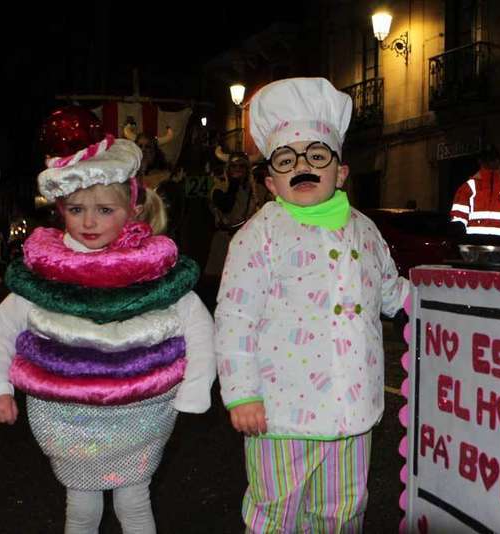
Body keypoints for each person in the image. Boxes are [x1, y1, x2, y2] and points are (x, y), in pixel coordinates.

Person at [0, 114, 215, 534]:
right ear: (60, 209)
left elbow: (196, 323)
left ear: (133, 208)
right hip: (66, 417)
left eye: (104, 209)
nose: (89, 222)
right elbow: (5, 324)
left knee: (134, 502)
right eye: (76, 209)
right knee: (81, 507)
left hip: (141, 413)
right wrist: (1, 386)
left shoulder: (152, 267)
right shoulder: (47, 269)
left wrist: (195, 387)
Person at [214, 77, 409, 533]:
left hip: (353, 413)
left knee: (342, 512)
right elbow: (235, 318)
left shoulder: (366, 230)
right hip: (281, 414)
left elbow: (393, 292)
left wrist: (446, 301)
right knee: (275, 512)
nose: (302, 167)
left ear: (340, 173)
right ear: (271, 181)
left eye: (317, 156)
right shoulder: (259, 236)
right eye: (287, 160)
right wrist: (242, 393)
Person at [204, 149, 269, 278]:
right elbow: (226, 207)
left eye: (241, 166)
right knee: (219, 280)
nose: (237, 169)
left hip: (249, 242)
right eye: (233, 166)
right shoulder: (218, 188)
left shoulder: (259, 190)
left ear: (247, 169)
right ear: (228, 169)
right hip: (224, 242)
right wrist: (233, 183)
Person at [449, 144, 500, 245]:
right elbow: (458, 217)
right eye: (488, 159)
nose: (491, 162)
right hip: (475, 245)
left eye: (493, 159)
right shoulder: (469, 187)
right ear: (480, 161)